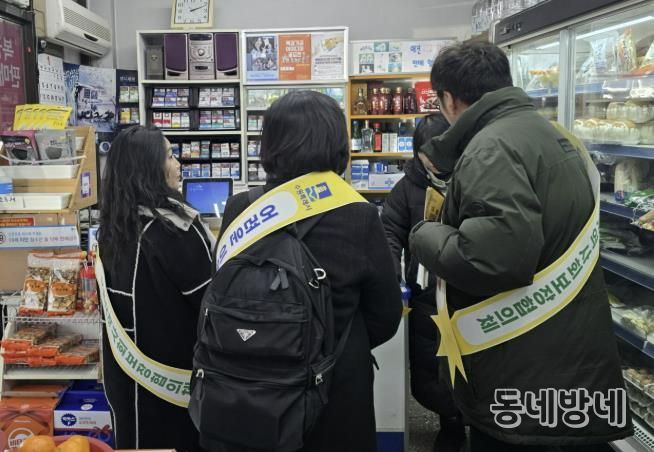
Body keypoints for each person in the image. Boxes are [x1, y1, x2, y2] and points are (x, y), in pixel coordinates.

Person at [409, 42, 632, 451]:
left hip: (522, 364)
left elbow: (490, 260)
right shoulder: (548, 132)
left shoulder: (491, 148)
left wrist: (424, 234)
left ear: (449, 99)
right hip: (564, 355)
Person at [210, 90, 403, 452]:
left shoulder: (240, 207)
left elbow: (219, 291)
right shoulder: (358, 214)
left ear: (270, 144)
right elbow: (386, 314)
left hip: (249, 385)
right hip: (334, 388)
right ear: (336, 144)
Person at [98, 126, 214, 451]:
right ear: (148, 168)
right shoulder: (175, 230)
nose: (177, 164)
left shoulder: (113, 228)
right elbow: (211, 305)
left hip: (126, 382)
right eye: (170, 156)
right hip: (176, 384)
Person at [380, 113, 465, 452]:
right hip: (426, 293)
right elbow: (389, 232)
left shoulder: (474, 177)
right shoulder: (407, 187)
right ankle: (450, 422)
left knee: (476, 364)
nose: (434, 163)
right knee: (432, 366)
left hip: (470, 291)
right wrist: (392, 276)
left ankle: (479, 422)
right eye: (427, 156)